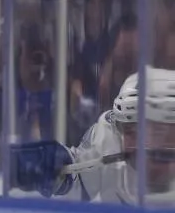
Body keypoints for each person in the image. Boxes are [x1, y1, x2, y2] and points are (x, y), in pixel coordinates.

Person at [11, 68, 175, 204]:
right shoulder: (110, 141)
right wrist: (55, 168)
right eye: (131, 132)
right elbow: (76, 179)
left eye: (159, 132)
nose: (144, 144)